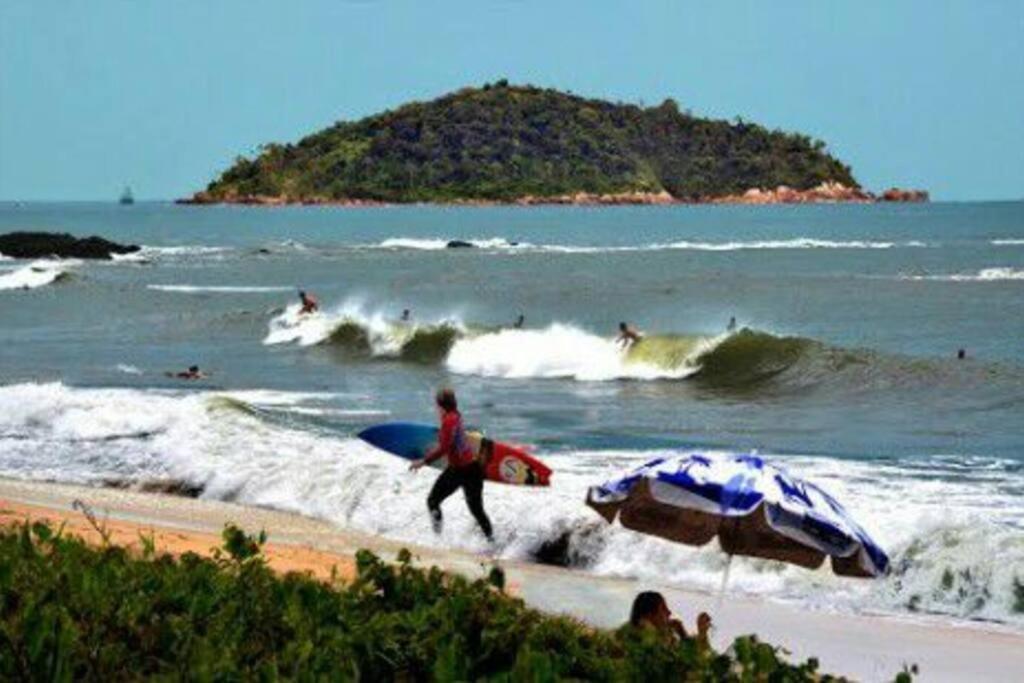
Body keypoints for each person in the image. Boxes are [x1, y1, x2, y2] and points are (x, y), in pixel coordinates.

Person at [410, 388, 494, 541]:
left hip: (459, 471)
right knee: (477, 510)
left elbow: (444, 448)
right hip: (473, 469)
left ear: (439, 405)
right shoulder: (456, 416)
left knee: (432, 501)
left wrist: (423, 461)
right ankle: (491, 541)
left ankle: (438, 538)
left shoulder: (449, 421)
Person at [629, 591, 711, 649]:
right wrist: (700, 633)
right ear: (649, 616)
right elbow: (693, 664)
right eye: (664, 609)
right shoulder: (652, 646)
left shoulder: (632, 635)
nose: (669, 612)